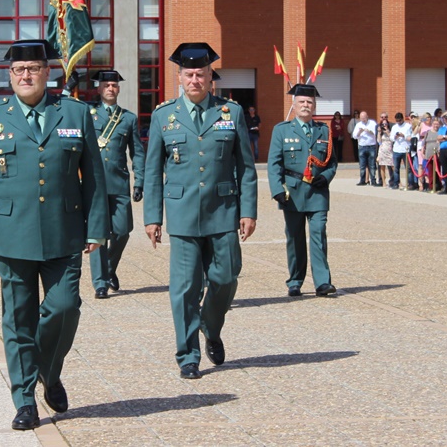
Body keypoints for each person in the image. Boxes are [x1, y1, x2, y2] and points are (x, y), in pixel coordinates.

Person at [0, 39, 107, 430]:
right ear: (10, 76)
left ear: (47, 73)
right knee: (18, 319)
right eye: (19, 70)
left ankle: (49, 370)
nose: (26, 75)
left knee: (65, 307)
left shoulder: (74, 113)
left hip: (65, 231)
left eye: (34, 69)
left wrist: (96, 227)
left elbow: (93, 176)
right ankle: (24, 400)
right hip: (12, 235)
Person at [143, 42, 257, 381]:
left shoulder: (230, 113)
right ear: (179, 77)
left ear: (211, 78)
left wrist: (248, 211)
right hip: (181, 213)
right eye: (189, 74)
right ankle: (188, 355)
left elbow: (246, 167)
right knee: (184, 288)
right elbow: (152, 172)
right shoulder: (164, 116)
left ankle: (211, 323)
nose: (195, 80)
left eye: (201, 74)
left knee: (225, 277)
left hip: (223, 210)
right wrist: (152, 217)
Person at [267, 84, 338, 298]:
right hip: (293, 192)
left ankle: (323, 282)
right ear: (294, 105)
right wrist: (276, 189)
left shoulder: (324, 131)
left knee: (318, 234)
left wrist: (325, 177)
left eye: (310, 103)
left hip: (317, 192)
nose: (306, 106)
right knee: (295, 237)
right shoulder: (282, 130)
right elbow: (274, 163)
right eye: (302, 102)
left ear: (314, 106)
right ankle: (295, 281)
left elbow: (332, 162)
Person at [87, 70, 143, 299]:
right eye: (107, 85)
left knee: (122, 230)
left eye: (114, 85)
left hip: (119, 183)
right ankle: (100, 282)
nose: (111, 88)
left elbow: (137, 152)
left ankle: (109, 269)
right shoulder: (87, 115)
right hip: (94, 185)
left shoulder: (128, 118)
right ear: (99, 89)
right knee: (98, 234)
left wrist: (140, 181)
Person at [352, 111, 377, 186]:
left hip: (371, 146)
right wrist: (359, 132)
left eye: (364, 118)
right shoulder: (358, 124)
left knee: (372, 164)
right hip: (362, 146)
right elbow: (354, 136)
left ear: (367, 117)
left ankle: (373, 180)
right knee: (362, 165)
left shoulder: (372, 123)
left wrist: (369, 131)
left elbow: (376, 133)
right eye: (361, 118)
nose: (363, 119)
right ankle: (362, 180)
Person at [390, 113, 413, 189]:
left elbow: (410, 137)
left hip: (405, 149)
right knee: (396, 168)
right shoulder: (394, 127)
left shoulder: (408, 126)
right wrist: (395, 136)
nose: (398, 122)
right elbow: (391, 138)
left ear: (402, 119)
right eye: (397, 121)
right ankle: (396, 183)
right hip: (396, 149)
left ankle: (410, 184)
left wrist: (403, 135)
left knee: (408, 168)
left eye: (400, 120)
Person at [376, 116, 392, 187]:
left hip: (390, 150)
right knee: (382, 166)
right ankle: (383, 182)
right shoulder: (381, 133)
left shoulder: (390, 131)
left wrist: (388, 132)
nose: (384, 125)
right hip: (382, 150)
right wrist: (379, 132)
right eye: (383, 124)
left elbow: (392, 139)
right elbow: (379, 141)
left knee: (393, 166)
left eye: (386, 124)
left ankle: (396, 181)